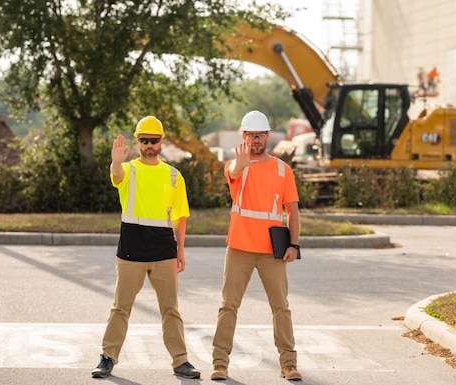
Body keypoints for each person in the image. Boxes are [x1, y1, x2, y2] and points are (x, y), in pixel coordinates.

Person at [91, 116, 200, 379]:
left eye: (154, 140)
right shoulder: (128, 170)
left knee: (170, 309)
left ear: (161, 141)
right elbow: (116, 176)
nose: (149, 145)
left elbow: (180, 217)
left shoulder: (174, 175)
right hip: (132, 251)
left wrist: (180, 251)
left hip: (163, 252)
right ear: (137, 141)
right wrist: (116, 161)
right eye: (144, 140)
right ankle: (107, 358)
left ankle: (181, 361)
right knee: (121, 307)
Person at [211, 110, 302, 381]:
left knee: (281, 307)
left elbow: (293, 212)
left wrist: (294, 245)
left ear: (268, 136)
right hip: (239, 247)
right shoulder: (236, 165)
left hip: (271, 252)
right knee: (228, 306)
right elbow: (233, 171)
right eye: (252, 135)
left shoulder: (282, 170)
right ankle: (220, 363)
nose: (257, 140)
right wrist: (240, 164)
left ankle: (288, 364)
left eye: (261, 135)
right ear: (244, 137)